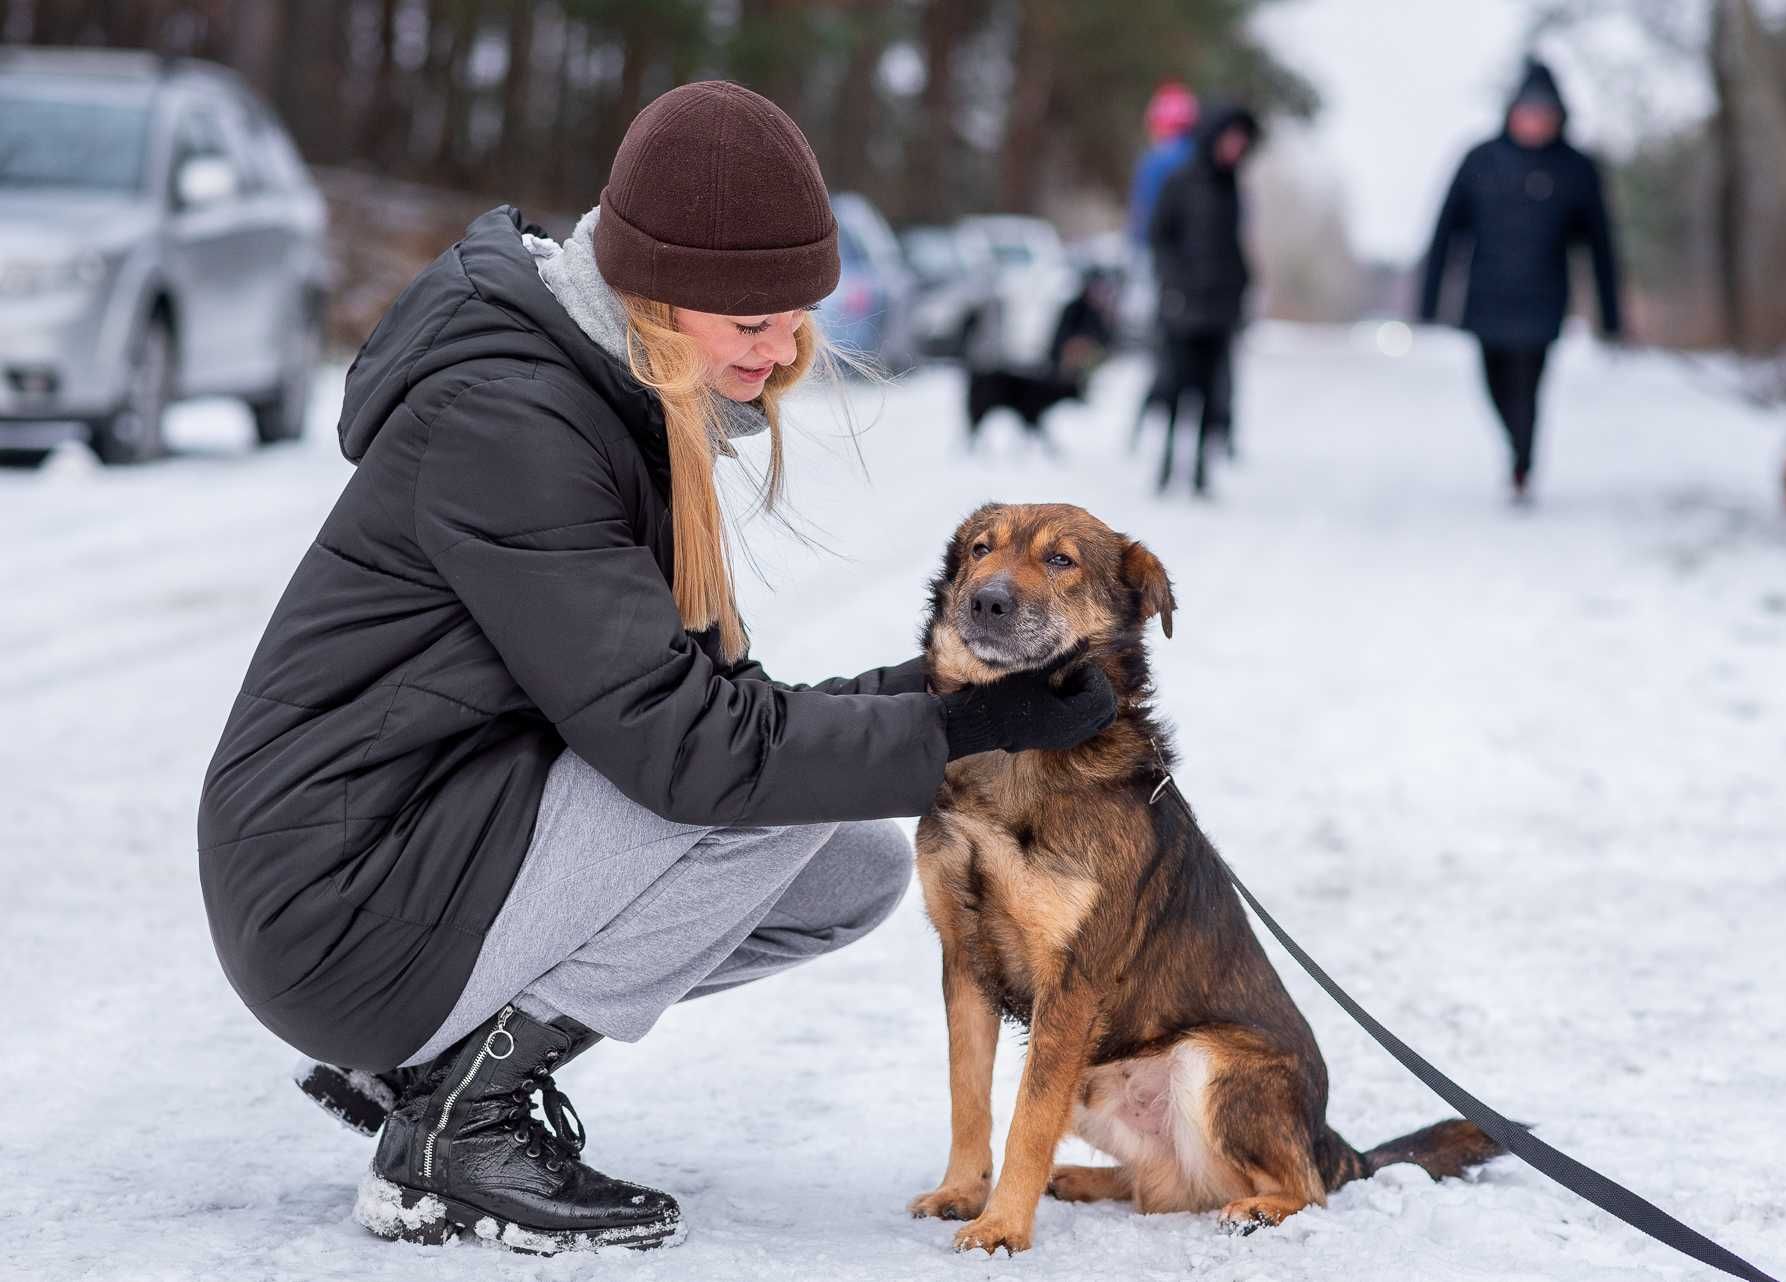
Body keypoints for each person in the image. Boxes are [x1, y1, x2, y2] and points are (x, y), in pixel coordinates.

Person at [197, 81, 1116, 1255]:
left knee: (848, 872)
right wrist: (965, 734)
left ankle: (435, 1070)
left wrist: (956, 696)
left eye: (796, 315)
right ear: (657, 292)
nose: (784, 349)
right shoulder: (512, 420)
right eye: (753, 322)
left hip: (415, 844)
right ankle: (455, 1127)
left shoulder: (607, 394)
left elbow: (701, 712)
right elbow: (696, 753)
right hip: (336, 895)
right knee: (768, 802)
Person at [1418, 58, 1623, 502]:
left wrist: (1612, 314)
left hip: (1543, 299)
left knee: (1528, 386)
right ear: (1512, 112)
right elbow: (1445, 231)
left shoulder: (1575, 168)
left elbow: (1601, 245)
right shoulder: (1480, 160)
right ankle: (1517, 448)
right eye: (1528, 112)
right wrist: (1428, 300)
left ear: (1558, 117)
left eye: (1544, 114)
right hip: (1487, 296)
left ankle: (1522, 466)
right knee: (1493, 382)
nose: (1535, 122)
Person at [1148, 102, 1261, 498]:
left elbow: (1234, 248)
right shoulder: (1179, 183)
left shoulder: (1234, 188)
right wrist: (1172, 285)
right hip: (1182, 305)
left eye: (1241, 140)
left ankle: (1200, 470)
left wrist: (1245, 287)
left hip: (1221, 308)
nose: (1235, 147)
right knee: (1176, 387)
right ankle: (1165, 465)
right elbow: (1159, 238)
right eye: (1230, 138)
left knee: (1212, 392)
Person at [1128, 81, 1199, 451]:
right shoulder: (1201, 160)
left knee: (1166, 355)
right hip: (1201, 282)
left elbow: (1143, 223)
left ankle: (1148, 429)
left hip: (1165, 273)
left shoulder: (1157, 162)